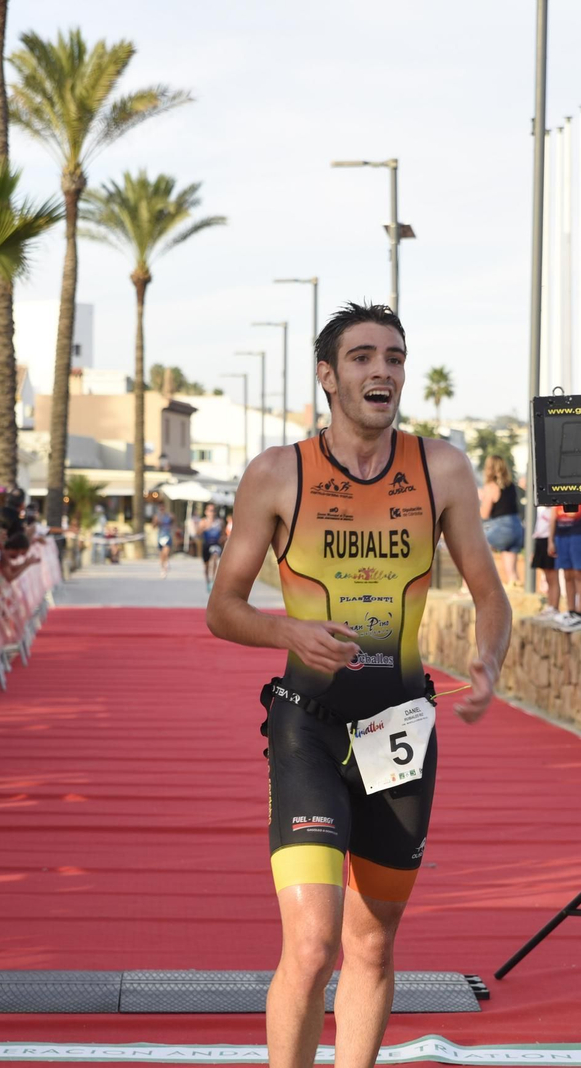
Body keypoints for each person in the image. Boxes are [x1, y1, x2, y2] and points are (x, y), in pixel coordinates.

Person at [205, 302, 509, 1068]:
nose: (383, 371)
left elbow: (489, 591)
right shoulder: (279, 472)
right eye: (364, 357)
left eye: (395, 357)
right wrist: (287, 631)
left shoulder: (439, 466)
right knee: (311, 946)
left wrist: (490, 657)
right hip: (307, 723)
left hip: (399, 728)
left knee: (370, 944)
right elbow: (224, 607)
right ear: (328, 374)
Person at [478, 455, 525, 587]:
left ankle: (468, 586)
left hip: (501, 527)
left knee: (474, 545)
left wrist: (478, 501)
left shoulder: (491, 486)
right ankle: (514, 582)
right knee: (510, 560)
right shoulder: (511, 486)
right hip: (516, 527)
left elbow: (484, 514)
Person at [547, 503, 581, 630]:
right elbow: (553, 514)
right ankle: (571, 611)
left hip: (579, 532)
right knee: (567, 574)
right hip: (561, 533)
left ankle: (580, 613)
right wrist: (550, 540)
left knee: (580, 573)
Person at [529, 504, 562, 619]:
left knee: (553, 577)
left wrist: (551, 542)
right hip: (541, 539)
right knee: (548, 577)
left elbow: (553, 521)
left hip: (549, 539)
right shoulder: (540, 507)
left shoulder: (554, 506)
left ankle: (554, 607)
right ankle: (550, 606)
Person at [196, 503, 226, 591]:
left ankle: (213, 580)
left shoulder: (220, 522)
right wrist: (203, 528)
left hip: (216, 544)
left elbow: (224, 534)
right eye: (210, 511)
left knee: (215, 557)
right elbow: (198, 534)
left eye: (214, 511)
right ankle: (208, 582)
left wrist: (222, 539)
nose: (212, 512)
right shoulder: (203, 522)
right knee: (206, 566)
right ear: (206, 512)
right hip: (206, 544)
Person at [154, 505, 176, 578]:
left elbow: (174, 522)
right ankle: (163, 568)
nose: (162, 509)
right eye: (161, 508)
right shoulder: (157, 516)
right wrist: (156, 522)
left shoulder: (169, 515)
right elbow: (153, 526)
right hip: (160, 536)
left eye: (163, 508)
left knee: (165, 551)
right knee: (161, 554)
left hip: (167, 536)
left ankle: (166, 564)